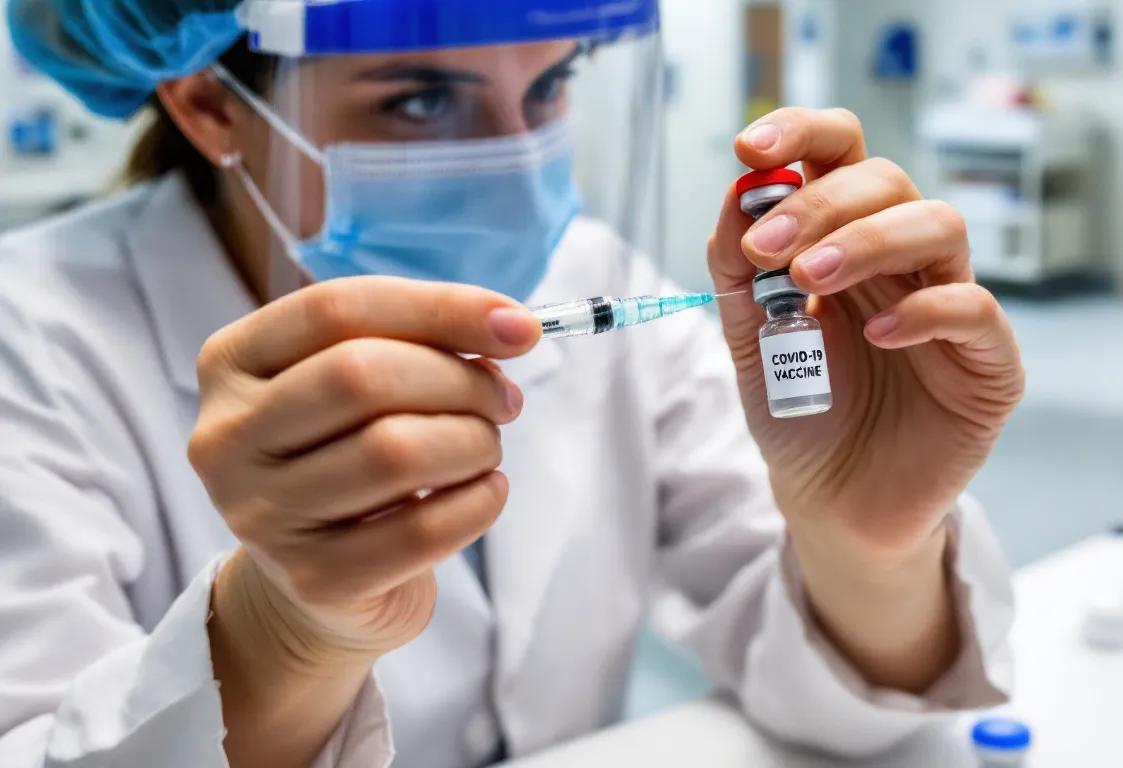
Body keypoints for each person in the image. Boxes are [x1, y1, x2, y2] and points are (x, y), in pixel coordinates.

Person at [0, 1, 1024, 767]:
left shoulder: (591, 273)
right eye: (421, 99)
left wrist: (869, 542)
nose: (520, 162)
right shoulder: (34, 335)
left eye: (550, 83)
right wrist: (277, 639)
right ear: (208, 103)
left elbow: (843, 703)